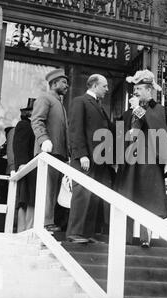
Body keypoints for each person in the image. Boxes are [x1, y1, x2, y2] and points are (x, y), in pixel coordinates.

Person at [114, 70, 167, 248]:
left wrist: (138, 110)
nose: (136, 92)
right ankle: (123, 238)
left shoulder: (158, 109)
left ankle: (144, 237)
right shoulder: (129, 112)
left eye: (140, 88)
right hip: (129, 162)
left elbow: (158, 130)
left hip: (148, 163)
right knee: (127, 197)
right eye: (135, 89)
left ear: (149, 90)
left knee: (146, 199)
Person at [66, 74, 113, 244]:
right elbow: (75, 130)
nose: (107, 90)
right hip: (85, 159)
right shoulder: (81, 101)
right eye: (104, 86)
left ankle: (86, 234)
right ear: (94, 86)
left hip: (98, 159)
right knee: (82, 194)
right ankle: (75, 233)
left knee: (93, 196)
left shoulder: (98, 106)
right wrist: (81, 155)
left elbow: (111, 130)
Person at [31, 69, 70, 233]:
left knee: (54, 190)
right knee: (47, 189)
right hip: (48, 154)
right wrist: (43, 140)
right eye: (63, 82)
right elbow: (37, 120)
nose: (67, 85)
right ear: (54, 83)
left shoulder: (60, 104)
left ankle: (49, 221)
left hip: (59, 155)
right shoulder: (45, 98)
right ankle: (45, 223)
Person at [13, 98, 36, 232]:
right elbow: (19, 147)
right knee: (26, 199)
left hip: (34, 171)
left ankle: (28, 229)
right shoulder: (24, 125)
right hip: (27, 170)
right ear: (30, 114)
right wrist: (22, 165)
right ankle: (24, 230)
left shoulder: (34, 127)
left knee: (31, 199)